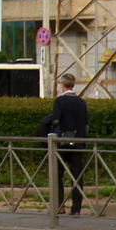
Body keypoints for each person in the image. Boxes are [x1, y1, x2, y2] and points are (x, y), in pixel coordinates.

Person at [48, 72, 90, 216]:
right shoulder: (81, 102)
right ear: (73, 85)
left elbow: (56, 121)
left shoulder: (59, 101)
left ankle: (59, 206)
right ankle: (76, 209)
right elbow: (85, 125)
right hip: (78, 142)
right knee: (77, 175)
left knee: (57, 174)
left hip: (62, 142)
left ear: (62, 85)